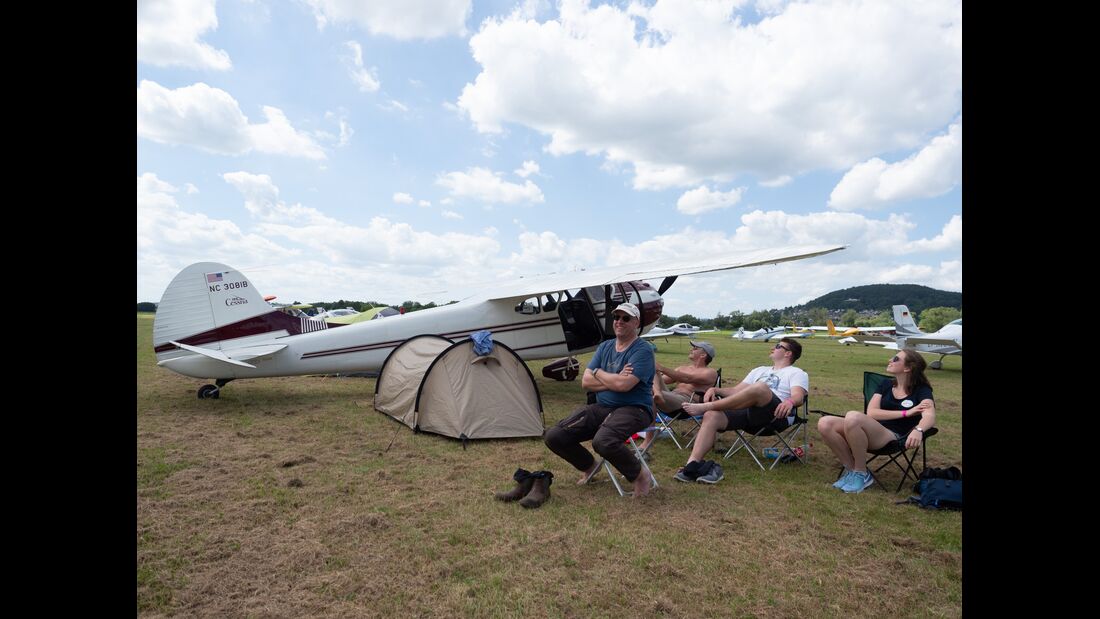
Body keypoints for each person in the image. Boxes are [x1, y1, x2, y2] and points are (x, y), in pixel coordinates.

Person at [543, 302, 657, 497]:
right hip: (602, 405)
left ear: (636, 322)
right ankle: (589, 466)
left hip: (635, 409)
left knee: (603, 441)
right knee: (554, 436)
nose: (619, 321)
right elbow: (586, 382)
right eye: (616, 317)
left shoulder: (643, 350)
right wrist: (612, 378)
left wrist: (599, 373)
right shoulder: (605, 347)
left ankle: (640, 475)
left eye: (625, 318)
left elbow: (624, 386)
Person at [675, 338, 809, 484]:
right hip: (748, 415)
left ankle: (707, 406)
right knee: (711, 416)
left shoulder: (796, 373)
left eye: (778, 346)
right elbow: (735, 391)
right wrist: (714, 389)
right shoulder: (759, 370)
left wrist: (789, 401)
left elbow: (798, 396)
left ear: (788, 353)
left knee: (760, 387)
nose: (772, 347)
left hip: (775, 416)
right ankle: (691, 465)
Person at [817, 348, 935, 493]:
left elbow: (929, 416)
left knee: (853, 417)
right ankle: (853, 471)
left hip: (894, 437)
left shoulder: (922, 390)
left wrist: (919, 430)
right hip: (872, 430)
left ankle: (861, 473)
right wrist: (906, 413)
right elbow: (872, 413)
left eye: (896, 359)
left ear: (908, 368)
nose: (890, 360)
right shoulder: (886, 384)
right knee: (825, 423)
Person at [636, 341, 719, 453]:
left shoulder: (710, 372)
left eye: (695, 348)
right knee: (653, 371)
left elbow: (688, 378)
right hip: (671, 397)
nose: (691, 349)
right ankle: (657, 394)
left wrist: (662, 368)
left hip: (686, 404)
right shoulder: (682, 368)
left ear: (703, 355)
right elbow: (662, 379)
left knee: (650, 392)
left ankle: (648, 440)